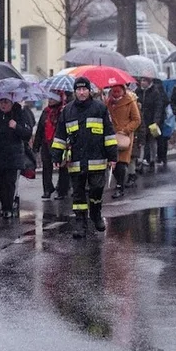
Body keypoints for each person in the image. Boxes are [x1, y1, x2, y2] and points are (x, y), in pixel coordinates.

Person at [50, 77, 118, 239]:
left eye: (84, 89)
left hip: (97, 158)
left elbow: (109, 134)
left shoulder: (100, 108)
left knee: (96, 189)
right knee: (78, 193)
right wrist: (56, 156)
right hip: (76, 159)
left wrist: (112, 156)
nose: (81, 92)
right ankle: (80, 222)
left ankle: (95, 213)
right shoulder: (67, 111)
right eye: (78, 90)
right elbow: (60, 136)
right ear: (75, 91)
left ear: (89, 91)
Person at [0, 97, 34, 218]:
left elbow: (27, 134)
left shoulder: (19, 114)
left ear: (12, 102)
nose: (3, 105)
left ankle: (8, 208)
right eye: (1, 102)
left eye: (6, 102)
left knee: (9, 183)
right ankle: (5, 204)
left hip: (13, 156)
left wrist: (16, 127)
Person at [106, 84, 141, 198]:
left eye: (118, 91)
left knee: (121, 163)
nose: (115, 94)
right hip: (111, 135)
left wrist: (126, 130)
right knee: (113, 162)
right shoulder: (108, 102)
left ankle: (120, 186)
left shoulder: (130, 101)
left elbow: (136, 120)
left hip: (124, 137)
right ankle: (118, 184)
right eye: (113, 92)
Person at [33, 93, 69, 199]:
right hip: (46, 142)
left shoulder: (64, 111)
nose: (50, 100)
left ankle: (62, 191)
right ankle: (47, 189)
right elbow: (40, 128)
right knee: (46, 166)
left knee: (63, 167)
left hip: (60, 143)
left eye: (53, 98)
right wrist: (36, 145)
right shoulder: (46, 111)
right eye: (49, 98)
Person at [136, 76, 167, 171]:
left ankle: (153, 158)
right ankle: (141, 160)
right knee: (142, 141)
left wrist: (156, 121)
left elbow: (158, 107)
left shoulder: (155, 92)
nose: (142, 82)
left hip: (151, 119)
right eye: (141, 80)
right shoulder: (138, 91)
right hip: (141, 120)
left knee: (152, 139)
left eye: (145, 81)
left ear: (149, 82)